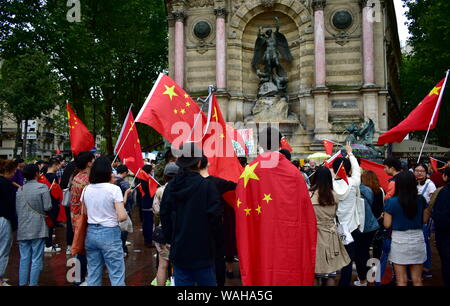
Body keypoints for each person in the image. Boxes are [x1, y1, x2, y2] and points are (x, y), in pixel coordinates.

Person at [160, 143, 222, 286]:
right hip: (203, 252)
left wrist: (172, 239)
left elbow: (165, 216)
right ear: (199, 162)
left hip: (180, 251)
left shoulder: (170, 187)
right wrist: (216, 246)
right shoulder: (208, 187)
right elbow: (216, 220)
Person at [83, 157, 130, 286]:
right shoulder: (113, 189)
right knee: (116, 275)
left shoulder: (86, 189)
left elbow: (85, 213)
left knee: (93, 274)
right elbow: (122, 216)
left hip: (91, 233)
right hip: (110, 233)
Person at [383, 171, 428, 286]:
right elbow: (424, 220)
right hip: (418, 238)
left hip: (399, 240)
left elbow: (387, 224)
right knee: (417, 279)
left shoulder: (391, 202)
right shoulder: (421, 199)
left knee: (401, 280)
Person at [199, 158, 238, 287]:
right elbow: (235, 185)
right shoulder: (217, 182)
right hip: (215, 225)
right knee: (218, 257)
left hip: (197, 226)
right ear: (207, 164)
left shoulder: (192, 183)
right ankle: (219, 283)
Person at [309, 166, 350, 286]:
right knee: (331, 273)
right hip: (332, 236)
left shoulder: (309, 195)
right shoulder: (334, 196)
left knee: (315, 272)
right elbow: (336, 214)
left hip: (315, 236)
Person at [15, 164, 52, 286]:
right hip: (38, 226)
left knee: (24, 258)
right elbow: (47, 207)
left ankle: (22, 283)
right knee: (36, 258)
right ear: (37, 174)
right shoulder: (42, 188)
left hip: (23, 227)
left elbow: (17, 209)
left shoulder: (19, 190)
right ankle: (33, 283)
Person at [332, 143, 361, 286]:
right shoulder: (354, 183)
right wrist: (350, 154)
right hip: (351, 227)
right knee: (348, 259)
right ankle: (344, 283)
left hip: (335, 227)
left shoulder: (330, 185)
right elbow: (357, 171)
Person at [151, 162, 179, 286]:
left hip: (163, 232)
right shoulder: (184, 189)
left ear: (165, 176)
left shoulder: (160, 191)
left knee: (162, 265)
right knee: (178, 266)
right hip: (180, 232)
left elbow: (156, 211)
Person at [70, 150, 95, 285]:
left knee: (80, 247)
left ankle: (78, 278)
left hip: (76, 216)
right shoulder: (87, 180)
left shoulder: (77, 177)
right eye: (93, 160)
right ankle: (80, 279)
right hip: (83, 217)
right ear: (89, 163)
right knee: (84, 249)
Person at [354, 176, 380, 286]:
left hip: (359, 226)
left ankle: (363, 280)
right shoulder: (369, 190)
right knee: (366, 253)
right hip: (371, 226)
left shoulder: (350, 191)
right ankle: (370, 279)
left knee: (359, 254)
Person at [414, 163, 436, 279]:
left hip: (424, 218)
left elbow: (432, 202)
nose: (419, 173)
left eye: (422, 171)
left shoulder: (430, 185)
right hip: (413, 217)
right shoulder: (412, 184)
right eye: (417, 170)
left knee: (424, 242)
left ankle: (426, 267)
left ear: (426, 173)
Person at [430, 168, 450, 286]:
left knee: (447, 262)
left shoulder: (444, 192)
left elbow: (439, 215)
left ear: (446, 177)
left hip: (446, 235)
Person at [0, 159, 18, 286]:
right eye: (13, 171)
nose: (14, 174)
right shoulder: (8, 185)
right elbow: (11, 207)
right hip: (4, 219)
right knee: (3, 250)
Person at [361, 170, 385, 259]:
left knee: (364, 247)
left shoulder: (363, 193)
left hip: (367, 222)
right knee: (377, 246)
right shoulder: (381, 191)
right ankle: (376, 266)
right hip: (379, 221)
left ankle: (366, 266)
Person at [115, 164, 134, 256]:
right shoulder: (124, 184)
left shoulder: (112, 182)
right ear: (125, 173)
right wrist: (128, 193)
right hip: (124, 210)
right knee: (123, 231)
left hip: (113, 211)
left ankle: (122, 249)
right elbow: (127, 200)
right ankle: (121, 249)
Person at [44, 158, 62, 252]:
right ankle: (49, 245)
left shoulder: (43, 176)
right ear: (54, 165)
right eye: (58, 165)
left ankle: (47, 243)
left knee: (47, 224)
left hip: (45, 202)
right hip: (53, 203)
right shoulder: (54, 177)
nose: (59, 167)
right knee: (50, 224)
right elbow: (56, 192)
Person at [140, 164, 155, 248]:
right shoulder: (147, 180)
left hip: (145, 203)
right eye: (152, 170)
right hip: (148, 203)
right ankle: (148, 241)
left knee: (146, 222)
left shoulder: (142, 179)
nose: (153, 171)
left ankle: (147, 240)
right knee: (148, 222)